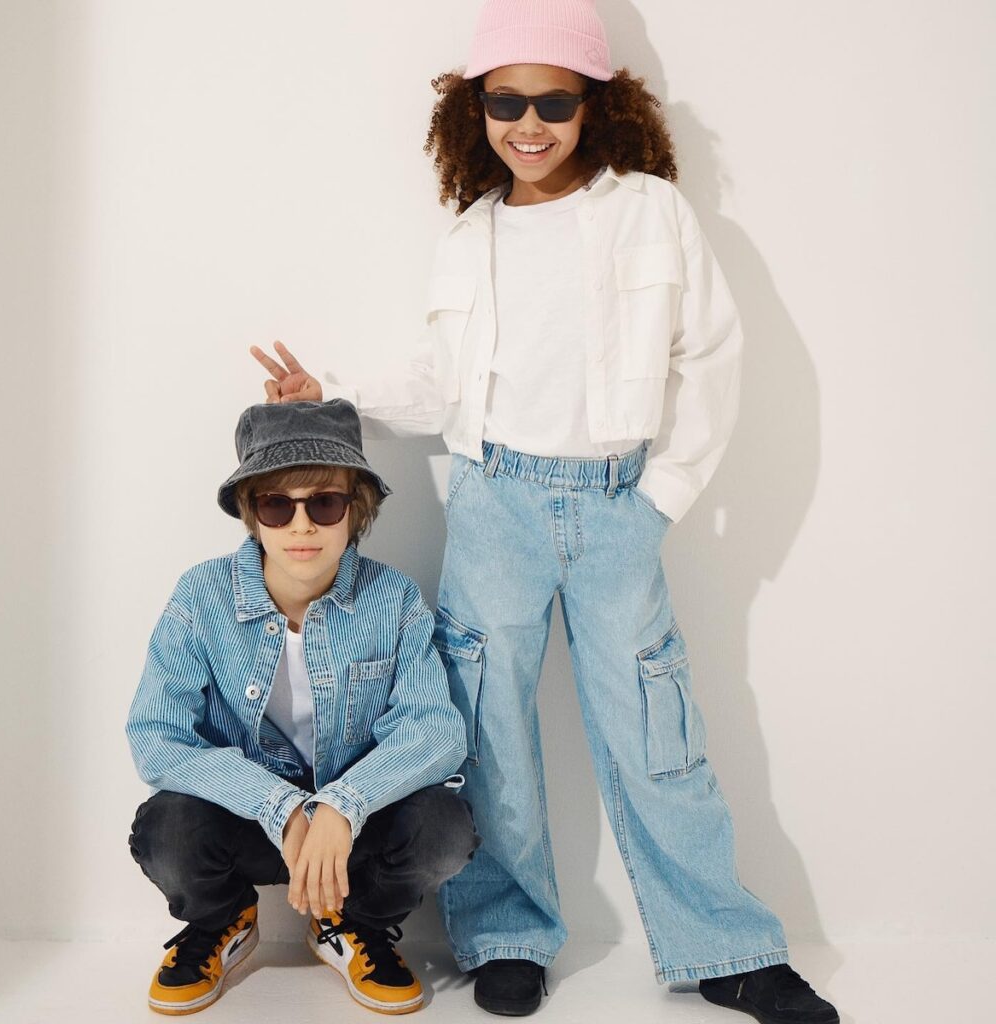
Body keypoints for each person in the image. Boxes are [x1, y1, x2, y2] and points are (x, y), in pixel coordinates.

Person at [251, 3, 839, 1021]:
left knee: (655, 732)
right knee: (488, 732)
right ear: (473, 109)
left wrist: (659, 499)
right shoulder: (469, 235)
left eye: (554, 103)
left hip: (615, 506)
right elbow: (444, 384)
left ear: (595, 105)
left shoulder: (650, 211)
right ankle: (506, 937)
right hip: (494, 507)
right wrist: (330, 395)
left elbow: (710, 356)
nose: (529, 124)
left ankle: (726, 948)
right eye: (505, 101)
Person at [126, 399, 479, 1016]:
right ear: (252, 512)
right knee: (167, 830)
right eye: (276, 505)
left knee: (444, 828)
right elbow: (156, 737)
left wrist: (344, 804)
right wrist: (281, 807)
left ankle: (353, 922)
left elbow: (435, 732)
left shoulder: (393, 598)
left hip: (354, 831)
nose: (301, 526)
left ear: (355, 509)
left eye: (324, 503)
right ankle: (223, 920)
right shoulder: (201, 596)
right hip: (250, 824)